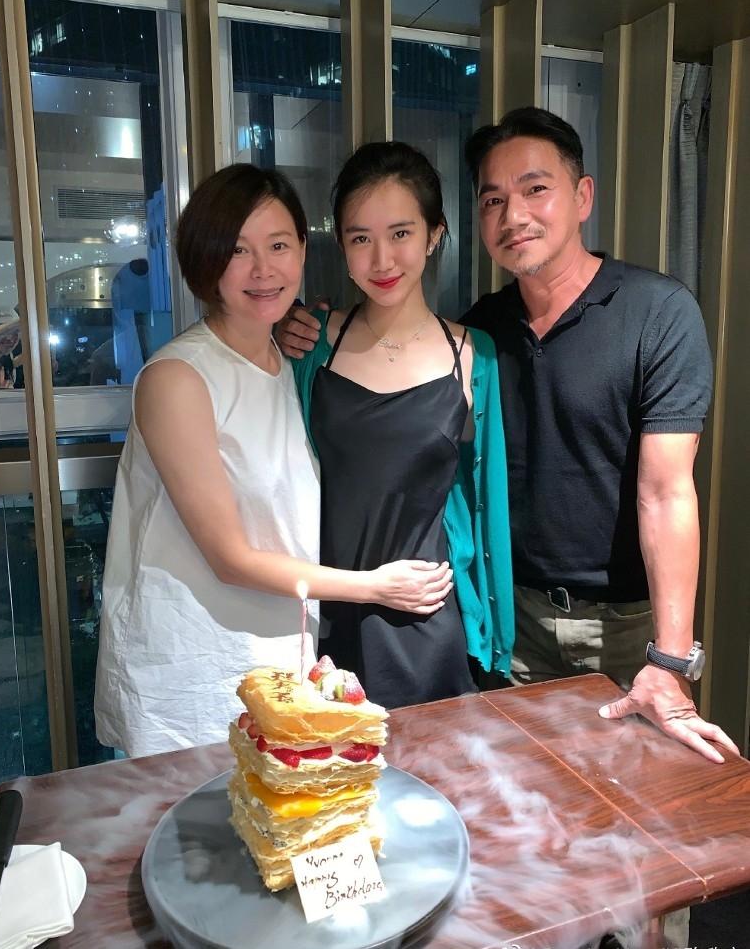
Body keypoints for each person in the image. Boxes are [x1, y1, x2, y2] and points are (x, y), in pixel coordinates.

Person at [279, 110, 738, 765]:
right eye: (493, 199)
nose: (513, 214)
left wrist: (670, 659)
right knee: (514, 800)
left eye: (535, 189)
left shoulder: (656, 312)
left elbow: (666, 493)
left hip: (621, 625)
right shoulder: (483, 331)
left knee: (628, 804)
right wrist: (296, 327)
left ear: (583, 196)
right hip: (511, 622)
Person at [94, 164, 452, 759]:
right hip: (188, 672)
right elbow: (230, 558)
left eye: (279, 246)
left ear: (304, 251)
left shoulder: (287, 366)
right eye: (237, 250)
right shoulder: (178, 377)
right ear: (204, 260)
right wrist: (373, 586)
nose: (263, 270)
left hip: (275, 662)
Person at [285, 141, 514, 710]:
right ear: (341, 245)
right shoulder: (312, 344)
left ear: (435, 234)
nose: (382, 260)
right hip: (326, 614)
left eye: (401, 233)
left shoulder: (474, 355)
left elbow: (487, 505)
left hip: (425, 615)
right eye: (361, 238)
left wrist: (495, 637)